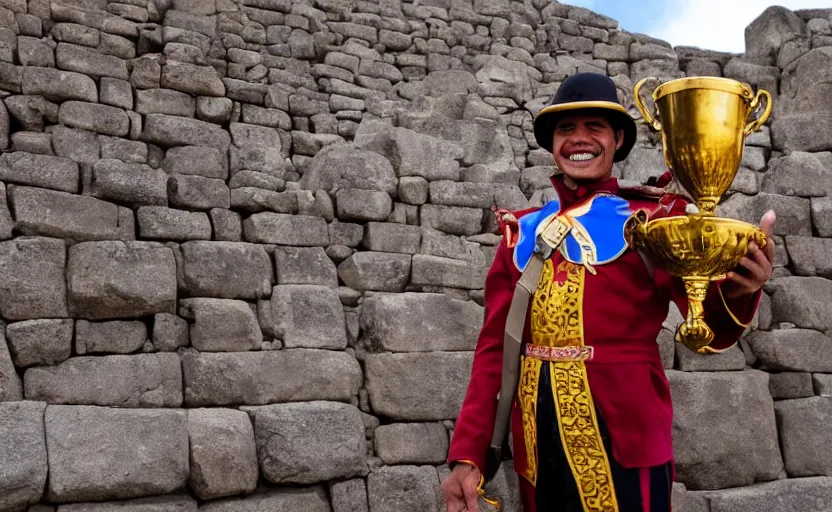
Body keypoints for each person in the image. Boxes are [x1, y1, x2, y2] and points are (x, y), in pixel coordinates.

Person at [441, 72, 776, 512]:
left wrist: (738, 290)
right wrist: (468, 455)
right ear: (552, 142)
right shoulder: (520, 233)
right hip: (539, 442)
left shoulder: (654, 221)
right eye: (566, 128)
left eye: (594, 127)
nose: (579, 139)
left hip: (625, 439)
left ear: (618, 139)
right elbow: (493, 352)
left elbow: (709, 328)